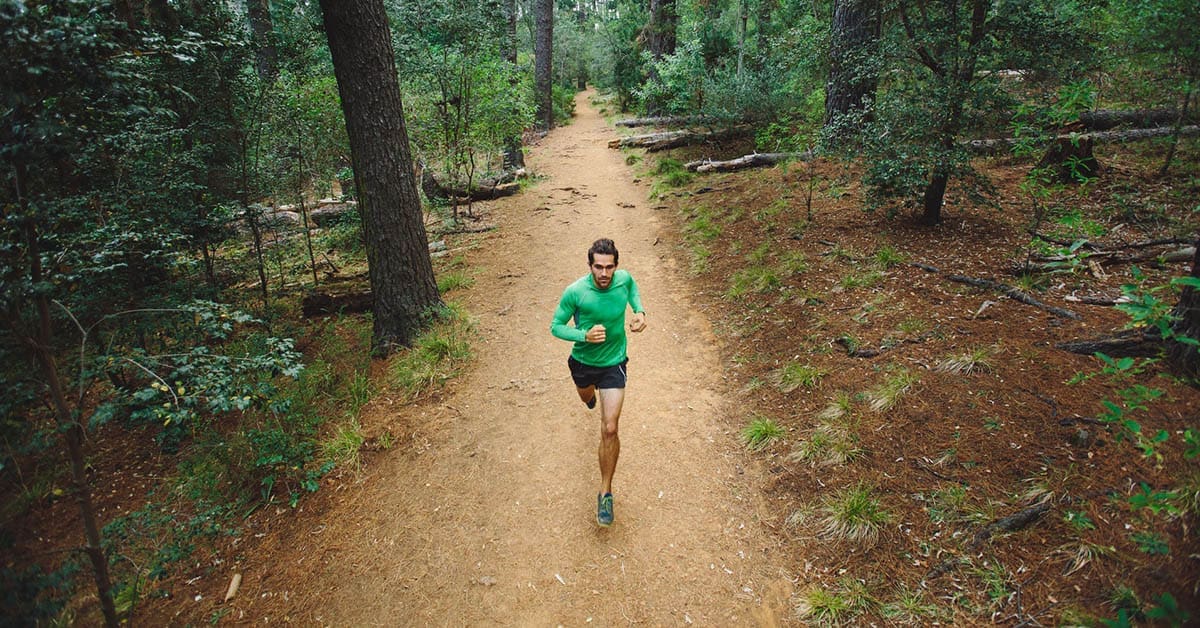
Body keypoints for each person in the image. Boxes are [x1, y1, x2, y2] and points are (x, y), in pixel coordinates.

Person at [550, 238, 647, 527]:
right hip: (582, 363)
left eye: (609, 267)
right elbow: (555, 327)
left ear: (616, 266)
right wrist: (584, 336)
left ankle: (605, 492)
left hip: (614, 362)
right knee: (585, 398)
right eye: (598, 267)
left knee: (610, 427)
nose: (604, 274)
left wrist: (640, 313)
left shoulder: (623, 280)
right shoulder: (576, 292)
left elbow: (633, 291)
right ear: (590, 265)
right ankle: (589, 397)